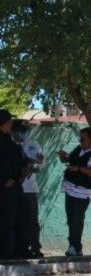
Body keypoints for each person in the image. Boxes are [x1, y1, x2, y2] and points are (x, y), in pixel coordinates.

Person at [58, 128, 91, 257]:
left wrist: (79, 168)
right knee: (71, 220)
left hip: (83, 193)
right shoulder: (78, 149)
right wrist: (64, 156)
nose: (81, 141)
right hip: (70, 189)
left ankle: (76, 247)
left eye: (83, 138)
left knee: (77, 219)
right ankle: (73, 247)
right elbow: (68, 160)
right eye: (80, 139)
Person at [0, 109, 29, 260]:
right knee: (9, 220)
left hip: (11, 186)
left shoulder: (9, 142)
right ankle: (8, 253)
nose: (11, 124)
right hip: (8, 189)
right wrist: (10, 179)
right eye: (9, 122)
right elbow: (16, 165)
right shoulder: (7, 143)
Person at [13, 120, 45, 258]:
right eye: (20, 130)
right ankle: (18, 249)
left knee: (32, 221)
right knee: (16, 220)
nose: (23, 133)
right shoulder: (9, 145)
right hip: (14, 189)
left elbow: (41, 164)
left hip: (30, 189)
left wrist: (36, 164)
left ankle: (35, 248)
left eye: (25, 130)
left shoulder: (33, 144)